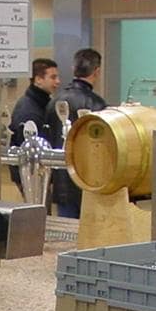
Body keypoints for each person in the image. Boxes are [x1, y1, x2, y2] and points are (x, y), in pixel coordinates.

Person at [44, 48, 107, 218]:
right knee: (88, 231)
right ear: (97, 71)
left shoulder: (54, 102)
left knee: (66, 230)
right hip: (88, 181)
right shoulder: (97, 105)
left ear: (74, 68)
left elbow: (47, 139)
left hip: (61, 181)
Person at [7, 58, 60, 190]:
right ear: (38, 79)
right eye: (53, 77)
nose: (57, 81)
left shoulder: (39, 104)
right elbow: (28, 147)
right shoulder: (29, 111)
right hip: (32, 175)